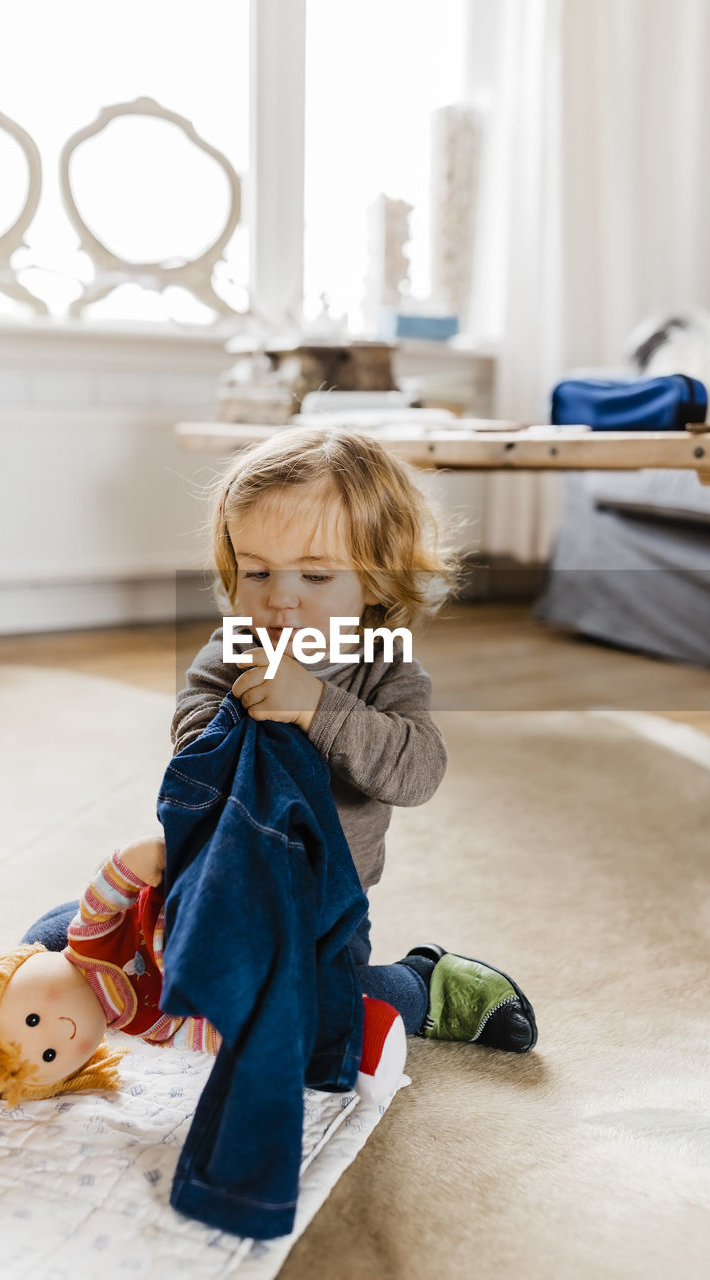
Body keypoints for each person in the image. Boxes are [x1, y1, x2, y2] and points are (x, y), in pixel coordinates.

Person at [173, 425, 537, 1053]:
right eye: (257, 571)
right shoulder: (233, 650)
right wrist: (237, 717)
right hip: (220, 885)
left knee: (311, 1013)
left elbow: (418, 770)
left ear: (375, 582)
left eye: (315, 577)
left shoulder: (386, 668)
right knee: (100, 954)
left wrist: (315, 706)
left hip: (326, 910)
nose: (281, 597)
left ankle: (422, 984)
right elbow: (190, 756)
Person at [0, 834, 404, 1109]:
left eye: (35, 1024)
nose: (58, 1035)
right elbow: (192, 1033)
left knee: (47, 936)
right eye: (52, 1057)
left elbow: (100, 901)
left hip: (187, 907)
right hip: (262, 943)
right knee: (324, 990)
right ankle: (427, 982)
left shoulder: (84, 943)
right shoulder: (143, 1025)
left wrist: (135, 862)